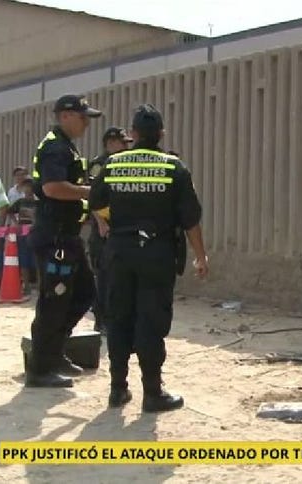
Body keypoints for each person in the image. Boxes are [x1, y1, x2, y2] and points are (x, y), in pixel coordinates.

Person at [90, 103, 208, 412]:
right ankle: (153, 393)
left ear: (132, 134)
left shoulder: (113, 165)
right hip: (157, 253)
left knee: (118, 317)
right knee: (151, 320)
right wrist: (200, 256)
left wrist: (113, 222)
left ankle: (118, 390)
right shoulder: (173, 168)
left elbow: (96, 202)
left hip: (119, 252)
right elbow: (190, 219)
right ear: (161, 134)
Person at [26, 93, 101, 388]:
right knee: (54, 300)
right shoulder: (56, 148)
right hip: (55, 236)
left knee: (83, 293)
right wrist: (90, 192)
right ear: (66, 116)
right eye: (83, 117)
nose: (86, 123)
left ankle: (54, 351)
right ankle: (40, 368)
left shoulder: (66, 147)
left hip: (67, 236)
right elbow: (54, 188)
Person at [87, 127, 132, 333]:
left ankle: (116, 319)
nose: (125, 147)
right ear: (111, 143)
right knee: (103, 275)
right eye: (123, 143)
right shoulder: (99, 164)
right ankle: (101, 319)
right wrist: (101, 222)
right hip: (103, 228)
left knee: (119, 275)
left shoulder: (123, 163)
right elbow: (92, 197)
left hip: (121, 226)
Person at [8, 178, 37, 293]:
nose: (28, 189)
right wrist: (16, 223)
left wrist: (35, 221)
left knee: (35, 259)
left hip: (34, 234)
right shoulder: (20, 202)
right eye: (26, 187)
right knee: (23, 259)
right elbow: (10, 211)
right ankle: (26, 286)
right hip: (22, 235)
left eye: (30, 187)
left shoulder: (38, 203)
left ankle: (39, 285)